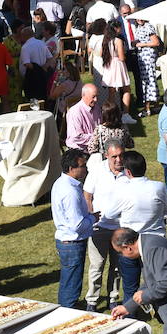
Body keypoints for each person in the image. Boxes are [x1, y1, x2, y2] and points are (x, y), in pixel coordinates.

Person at [110, 150, 167, 302]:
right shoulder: (159, 187)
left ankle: (130, 314)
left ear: (127, 171)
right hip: (154, 241)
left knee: (130, 286)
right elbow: (165, 208)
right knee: (158, 281)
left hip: (131, 244)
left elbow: (109, 213)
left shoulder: (123, 191)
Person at [85, 140, 128, 310]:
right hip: (100, 228)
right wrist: (91, 219)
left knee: (117, 266)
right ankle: (92, 300)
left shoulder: (129, 171)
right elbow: (87, 195)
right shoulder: (97, 171)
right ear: (106, 156)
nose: (119, 160)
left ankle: (113, 297)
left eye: (121, 155)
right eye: (114, 156)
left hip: (120, 228)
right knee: (97, 266)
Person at [51, 149, 94, 308]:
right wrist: (92, 218)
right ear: (71, 168)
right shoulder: (70, 192)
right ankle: (68, 310)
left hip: (66, 240)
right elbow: (77, 225)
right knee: (72, 282)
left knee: (68, 279)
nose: (86, 169)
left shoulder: (61, 183)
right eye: (83, 166)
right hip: (73, 242)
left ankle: (66, 306)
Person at [66, 83, 102, 152]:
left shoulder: (96, 107)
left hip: (94, 146)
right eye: (93, 97)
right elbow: (76, 137)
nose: (96, 99)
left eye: (97, 96)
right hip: (79, 151)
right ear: (84, 96)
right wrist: (97, 138)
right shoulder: (75, 112)